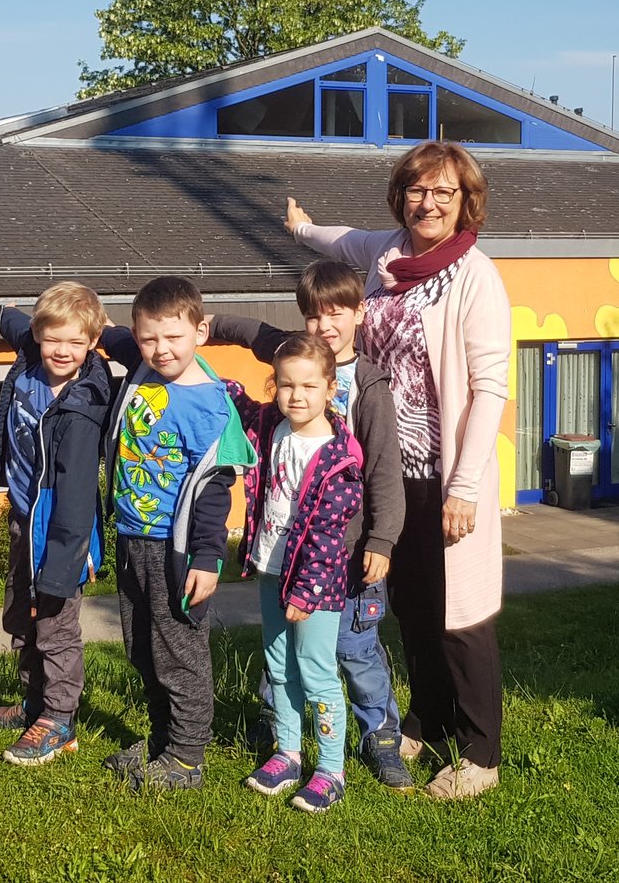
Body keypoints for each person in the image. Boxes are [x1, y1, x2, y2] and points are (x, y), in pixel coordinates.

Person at [284, 140, 512, 800]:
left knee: (462, 614)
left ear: (465, 201)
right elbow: (343, 239)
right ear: (402, 197)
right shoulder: (388, 254)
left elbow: (490, 387)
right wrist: (299, 228)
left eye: (444, 192)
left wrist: (465, 487)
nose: (429, 202)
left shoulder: (474, 275)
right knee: (410, 607)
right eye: (418, 190)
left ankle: (480, 751)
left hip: (447, 473)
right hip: (390, 470)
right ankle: (429, 715)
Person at [210, 261, 412, 792]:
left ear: (358, 313)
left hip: (348, 549)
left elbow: (383, 472)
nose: (325, 325)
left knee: (353, 650)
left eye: (336, 313)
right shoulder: (291, 366)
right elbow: (252, 333)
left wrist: (383, 538)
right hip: (283, 556)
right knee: (286, 658)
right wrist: (205, 327)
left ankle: (380, 737)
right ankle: (287, 743)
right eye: (314, 315)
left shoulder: (368, 385)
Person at [97, 275, 256, 791]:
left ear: (200, 332)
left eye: (174, 338)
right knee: (142, 647)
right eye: (149, 338)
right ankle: (163, 739)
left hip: (177, 549)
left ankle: (187, 758)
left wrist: (208, 559)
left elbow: (214, 492)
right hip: (131, 541)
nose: (161, 350)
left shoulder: (209, 404)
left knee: (178, 653)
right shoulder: (141, 365)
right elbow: (111, 334)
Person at [225, 335, 364, 813]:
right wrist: (203, 371)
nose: (297, 396)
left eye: (309, 385)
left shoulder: (338, 457)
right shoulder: (270, 425)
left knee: (317, 671)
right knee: (279, 667)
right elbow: (239, 402)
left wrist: (305, 592)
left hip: (316, 587)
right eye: (285, 385)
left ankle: (330, 770)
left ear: (331, 389)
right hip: (270, 568)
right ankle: (287, 753)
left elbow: (327, 539)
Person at [0, 282, 116, 767]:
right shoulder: (30, 356)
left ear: (93, 341)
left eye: (75, 342)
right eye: (52, 339)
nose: (62, 350)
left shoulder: (80, 408)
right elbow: (14, 321)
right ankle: (34, 701)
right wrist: (4, 310)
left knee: (56, 626)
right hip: (26, 517)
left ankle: (59, 719)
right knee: (21, 614)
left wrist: (62, 566)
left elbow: (78, 499)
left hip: (62, 530)